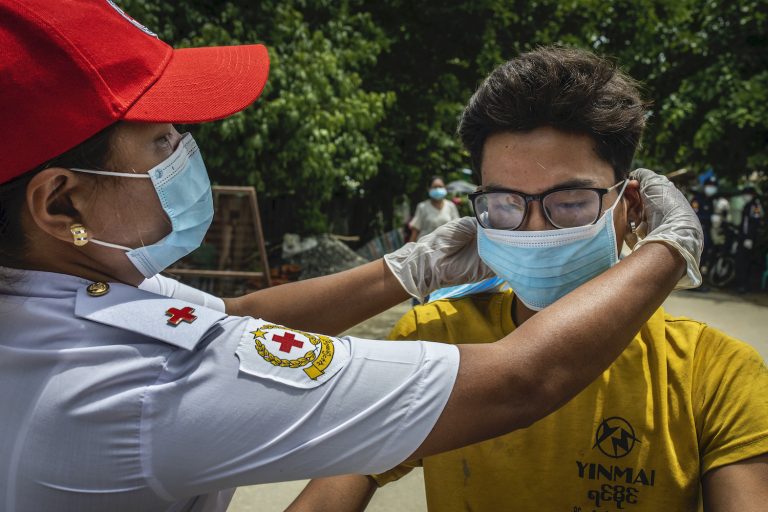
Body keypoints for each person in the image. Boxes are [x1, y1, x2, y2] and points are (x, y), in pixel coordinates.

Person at [0, 4, 699, 511]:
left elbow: (236, 314)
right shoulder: (149, 381)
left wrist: (407, 269)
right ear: (61, 205)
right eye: (162, 143)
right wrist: (671, 245)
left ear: (623, 198)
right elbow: (521, 381)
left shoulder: (62, 305)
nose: (188, 153)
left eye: (570, 202)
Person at [290, 47, 768, 511]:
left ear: (634, 206)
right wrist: (410, 269)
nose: (535, 230)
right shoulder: (436, 338)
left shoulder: (715, 375)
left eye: (571, 200)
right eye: (505, 203)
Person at [407, 175, 461, 242]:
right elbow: (415, 232)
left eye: (440, 187)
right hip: (425, 247)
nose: (438, 189)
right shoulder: (422, 207)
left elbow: (457, 229)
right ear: (429, 189)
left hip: (447, 247)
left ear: (445, 188)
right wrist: (410, 250)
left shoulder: (451, 206)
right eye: (435, 187)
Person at [735, 186, 765, 293]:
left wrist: (750, 238)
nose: (745, 196)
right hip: (744, 238)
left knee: (745, 262)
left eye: (747, 194)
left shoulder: (755, 206)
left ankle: (744, 286)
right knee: (741, 261)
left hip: (750, 239)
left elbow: (754, 223)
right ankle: (741, 284)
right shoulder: (748, 205)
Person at [691, 175, 718, 275]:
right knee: (699, 253)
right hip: (697, 230)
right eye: (709, 185)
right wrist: (709, 218)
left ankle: (699, 277)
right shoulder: (697, 199)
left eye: (713, 186)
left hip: (706, 230)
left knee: (708, 251)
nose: (711, 188)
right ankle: (693, 280)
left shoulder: (710, 201)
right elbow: (694, 215)